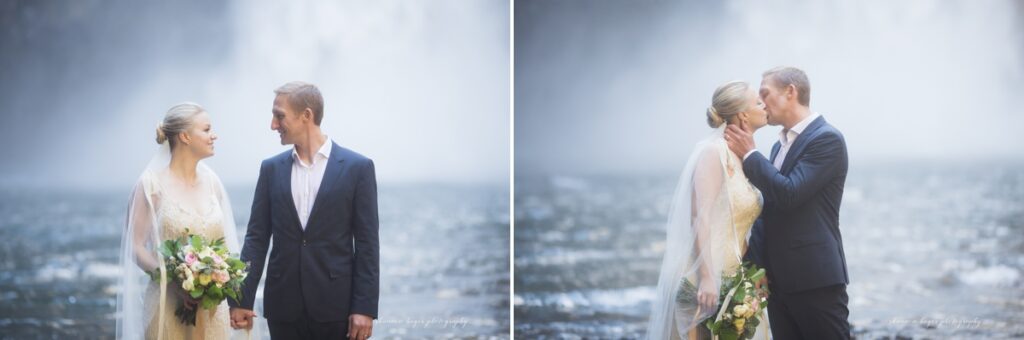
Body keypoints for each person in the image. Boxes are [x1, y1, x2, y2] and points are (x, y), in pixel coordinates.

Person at [229, 82, 380, 340]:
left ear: (307, 115)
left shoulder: (358, 168)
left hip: (337, 308)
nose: (273, 125)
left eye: (280, 116)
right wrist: (242, 298)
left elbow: (367, 244)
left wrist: (364, 308)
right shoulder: (270, 169)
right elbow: (256, 238)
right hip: (283, 308)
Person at [725, 66, 850, 340]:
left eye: (765, 94)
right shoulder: (777, 147)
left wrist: (750, 155)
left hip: (815, 281)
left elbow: (790, 194)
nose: (760, 102)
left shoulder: (827, 139)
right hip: (777, 284)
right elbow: (768, 211)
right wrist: (754, 268)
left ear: (790, 92)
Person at [647, 81, 771, 339]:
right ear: (743, 115)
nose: (765, 105)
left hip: (735, 281)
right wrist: (706, 278)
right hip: (703, 281)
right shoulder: (713, 153)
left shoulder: (743, 155)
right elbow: (699, 216)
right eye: (759, 102)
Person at [117, 102, 244, 339]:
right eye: (206, 130)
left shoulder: (213, 183)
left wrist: (221, 282)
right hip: (167, 304)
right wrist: (173, 279)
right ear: (185, 136)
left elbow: (224, 248)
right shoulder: (150, 186)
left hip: (212, 310)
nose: (213, 135)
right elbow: (134, 247)